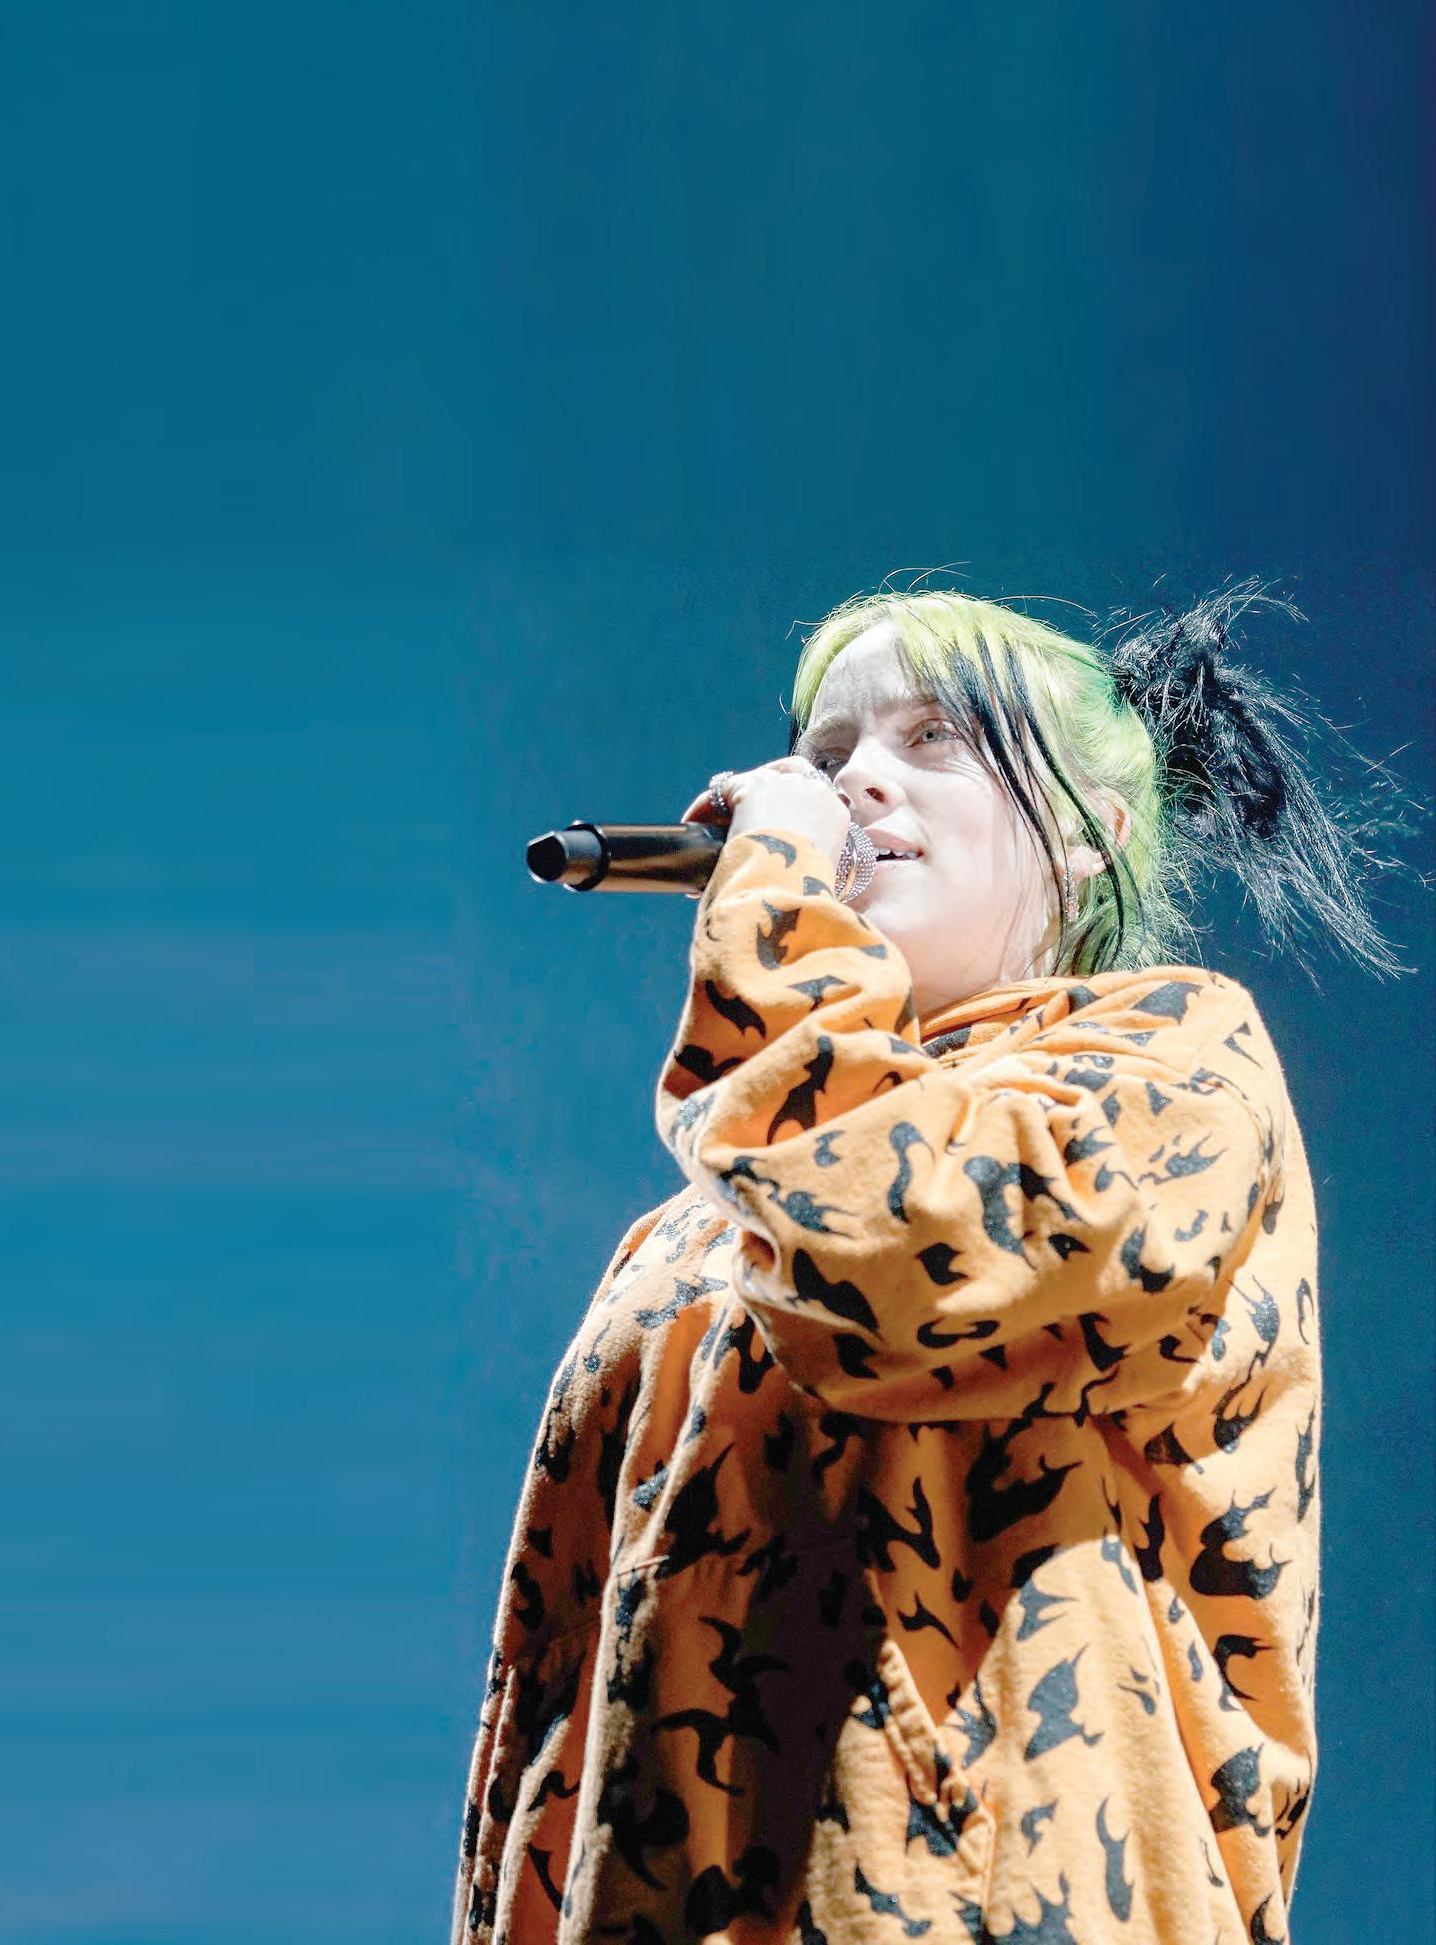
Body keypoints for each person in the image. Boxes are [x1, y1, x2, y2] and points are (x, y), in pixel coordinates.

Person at [449, 579, 1419, 1945]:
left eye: (930, 738)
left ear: (1089, 836)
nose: (851, 784)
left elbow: (885, 1241)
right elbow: (553, 1691)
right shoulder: (693, 1233)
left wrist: (778, 899)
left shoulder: (1174, 1068)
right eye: (825, 751)